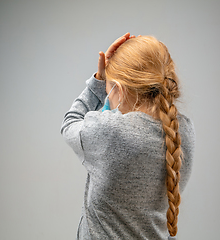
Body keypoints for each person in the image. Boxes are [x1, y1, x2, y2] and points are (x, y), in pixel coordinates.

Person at [60, 33, 196, 240]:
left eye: (108, 90)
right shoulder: (183, 130)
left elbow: (70, 122)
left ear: (119, 90)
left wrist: (98, 81)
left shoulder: (108, 130)